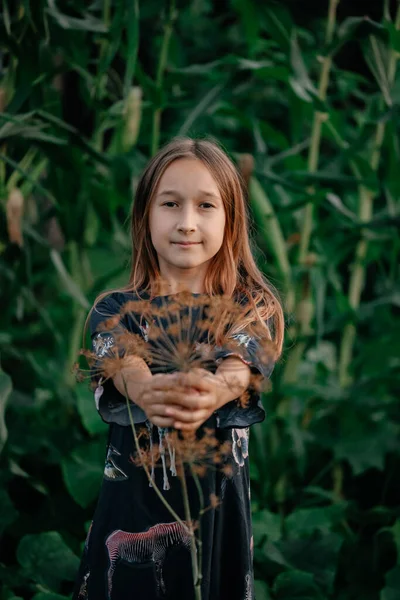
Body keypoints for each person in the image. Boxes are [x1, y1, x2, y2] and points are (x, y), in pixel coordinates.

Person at [73, 137, 284, 600]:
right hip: (134, 507)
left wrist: (212, 391)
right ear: (146, 216)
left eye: (205, 205)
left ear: (230, 220)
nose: (187, 223)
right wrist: (148, 391)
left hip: (216, 515)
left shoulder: (251, 309)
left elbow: (240, 369)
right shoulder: (115, 308)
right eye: (170, 204)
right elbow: (123, 363)